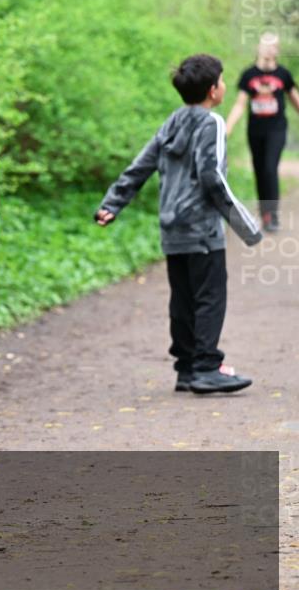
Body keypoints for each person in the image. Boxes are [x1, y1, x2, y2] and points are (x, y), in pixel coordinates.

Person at [95, 54, 263, 395]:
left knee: (183, 299)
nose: (225, 86)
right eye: (223, 80)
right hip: (202, 229)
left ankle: (186, 368)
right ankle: (205, 367)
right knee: (209, 298)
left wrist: (113, 202)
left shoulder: (172, 121)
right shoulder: (212, 123)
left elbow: (141, 164)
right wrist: (247, 226)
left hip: (171, 227)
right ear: (213, 90)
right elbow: (212, 177)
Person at [226, 33, 299, 233]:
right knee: (259, 170)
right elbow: (240, 105)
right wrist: (227, 129)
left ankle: (272, 215)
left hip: (277, 130)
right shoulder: (248, 75)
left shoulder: (283, 74)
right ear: (258, 48)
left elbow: (295, 100)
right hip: (255, 131)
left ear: (277, 50)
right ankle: (265, 213)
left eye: (272, 46)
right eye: (264, 45)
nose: (267, 49)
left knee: (269, 167)